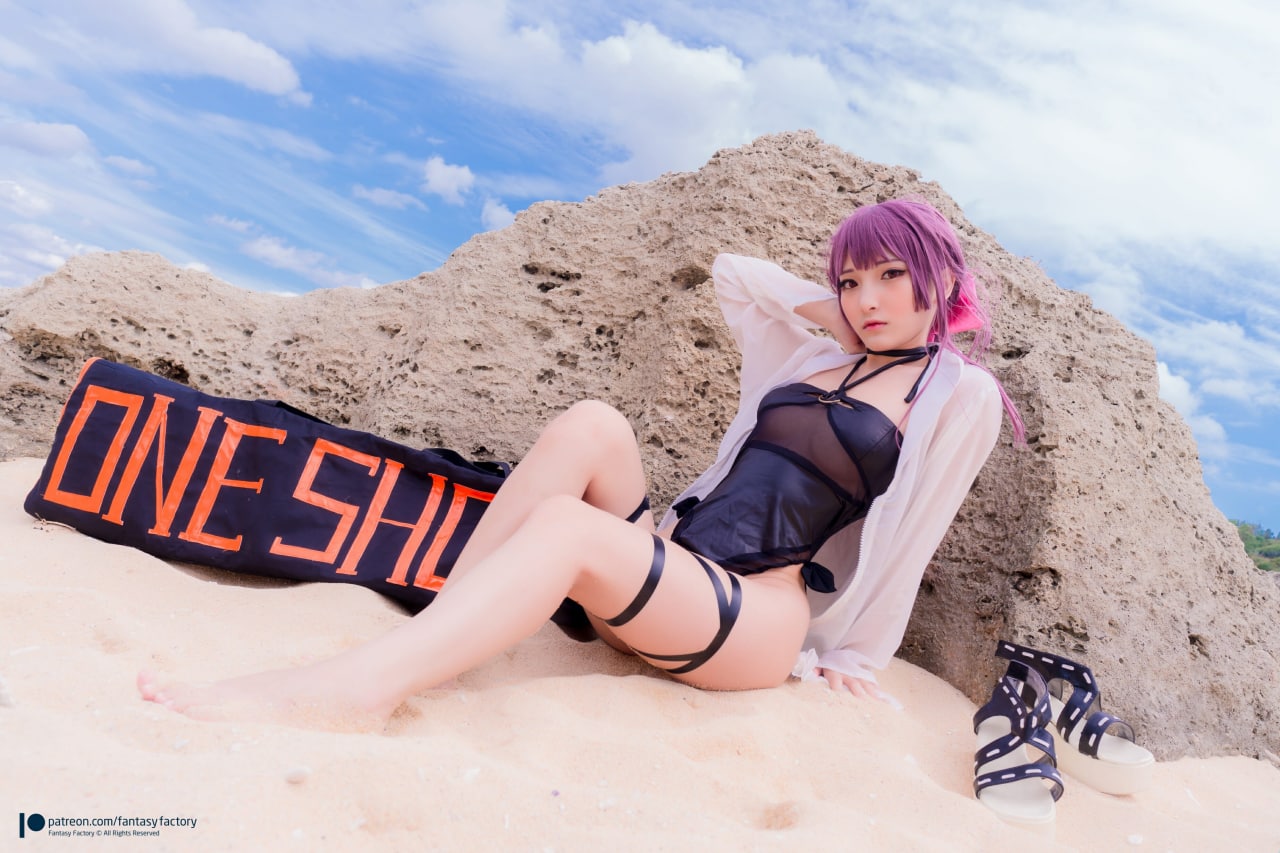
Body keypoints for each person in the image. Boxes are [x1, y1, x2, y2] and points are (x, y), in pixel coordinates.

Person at [138, 197, 1022, 723]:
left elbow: (913, 537)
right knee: (593, 423)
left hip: (749, 615)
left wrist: (854, 656)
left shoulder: (956, 393)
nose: (867, 298)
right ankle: (437, 627)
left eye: (891, 276)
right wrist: (840, 316)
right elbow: (734, 273)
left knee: (566, 525)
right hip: (672, 567)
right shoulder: (819, 357)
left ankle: (358, 691)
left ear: (940, 276)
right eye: (852, 280)